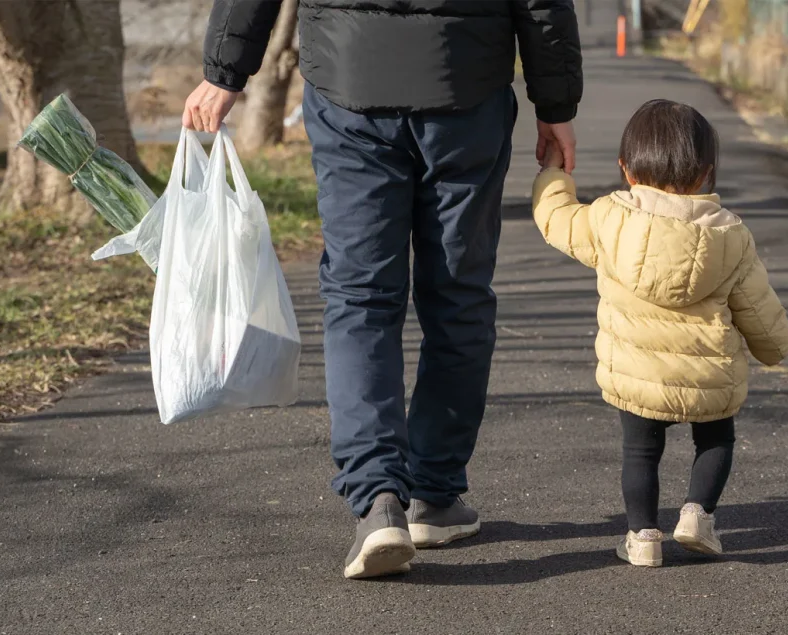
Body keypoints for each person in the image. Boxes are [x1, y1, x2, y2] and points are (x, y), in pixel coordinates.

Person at [183, 1, 583, 579]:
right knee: (458, 295)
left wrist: (225, 72)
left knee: (359, 295)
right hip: (465, 86)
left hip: (351, 84)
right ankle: (435, 496)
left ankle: (377, 501)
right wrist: (557, 102)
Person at [531, 99, 788, 567]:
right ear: (707, 172)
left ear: (626, 169)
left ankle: (643, 537)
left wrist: (555, 171)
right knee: (716, 441)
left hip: (636, 374)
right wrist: (774, 350)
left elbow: (556, 219)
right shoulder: (730, 235)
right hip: (709, 373)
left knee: (640, 452)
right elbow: (758, 307)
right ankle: (698, 516)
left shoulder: (609, 219)